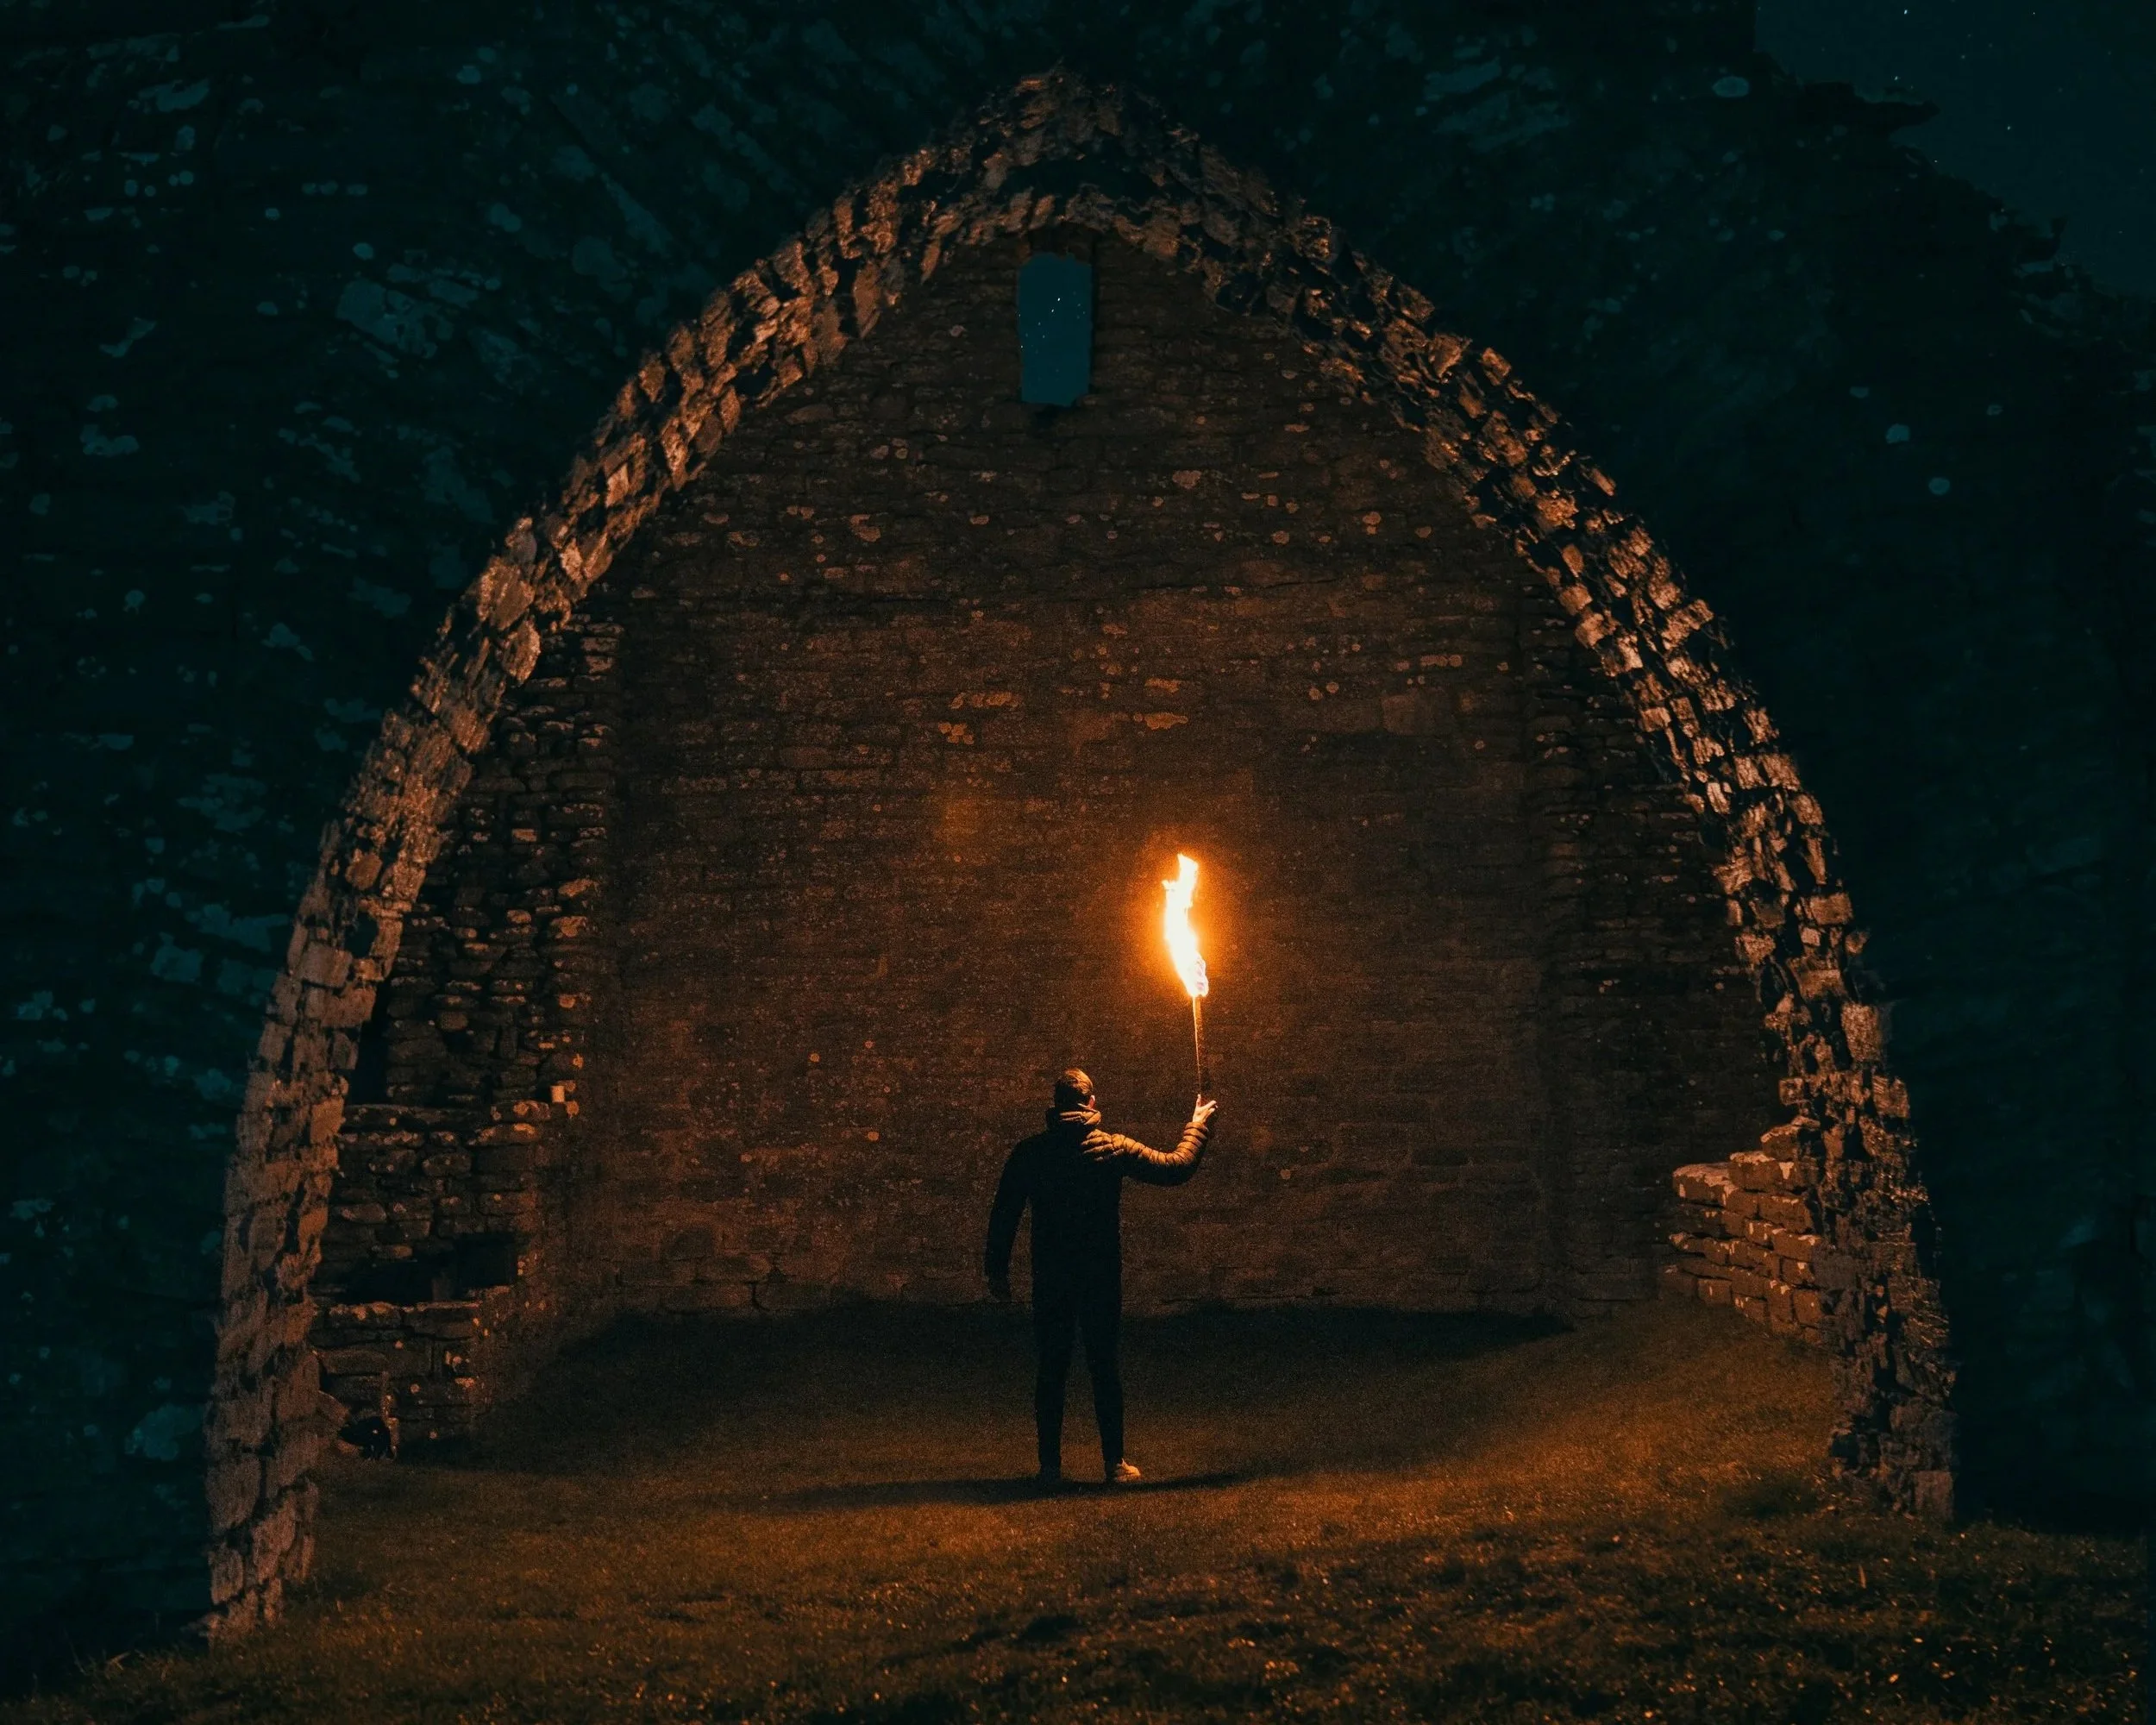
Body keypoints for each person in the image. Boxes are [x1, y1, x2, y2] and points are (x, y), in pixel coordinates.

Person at [985, 1068, 1217, 1487]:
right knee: (1104, 1366)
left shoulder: (1031, 1153)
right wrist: (1197, 1127)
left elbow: (1004, 1214)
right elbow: (1176, 1167)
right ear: (1090, 1103)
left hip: (1052, 1277)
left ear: (1056, 1106)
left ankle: (1050, 1469)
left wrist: (996, 1272)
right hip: (1099, 1276)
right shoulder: (1113, 1147)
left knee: (1051, 1369)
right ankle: (1114, 1464)